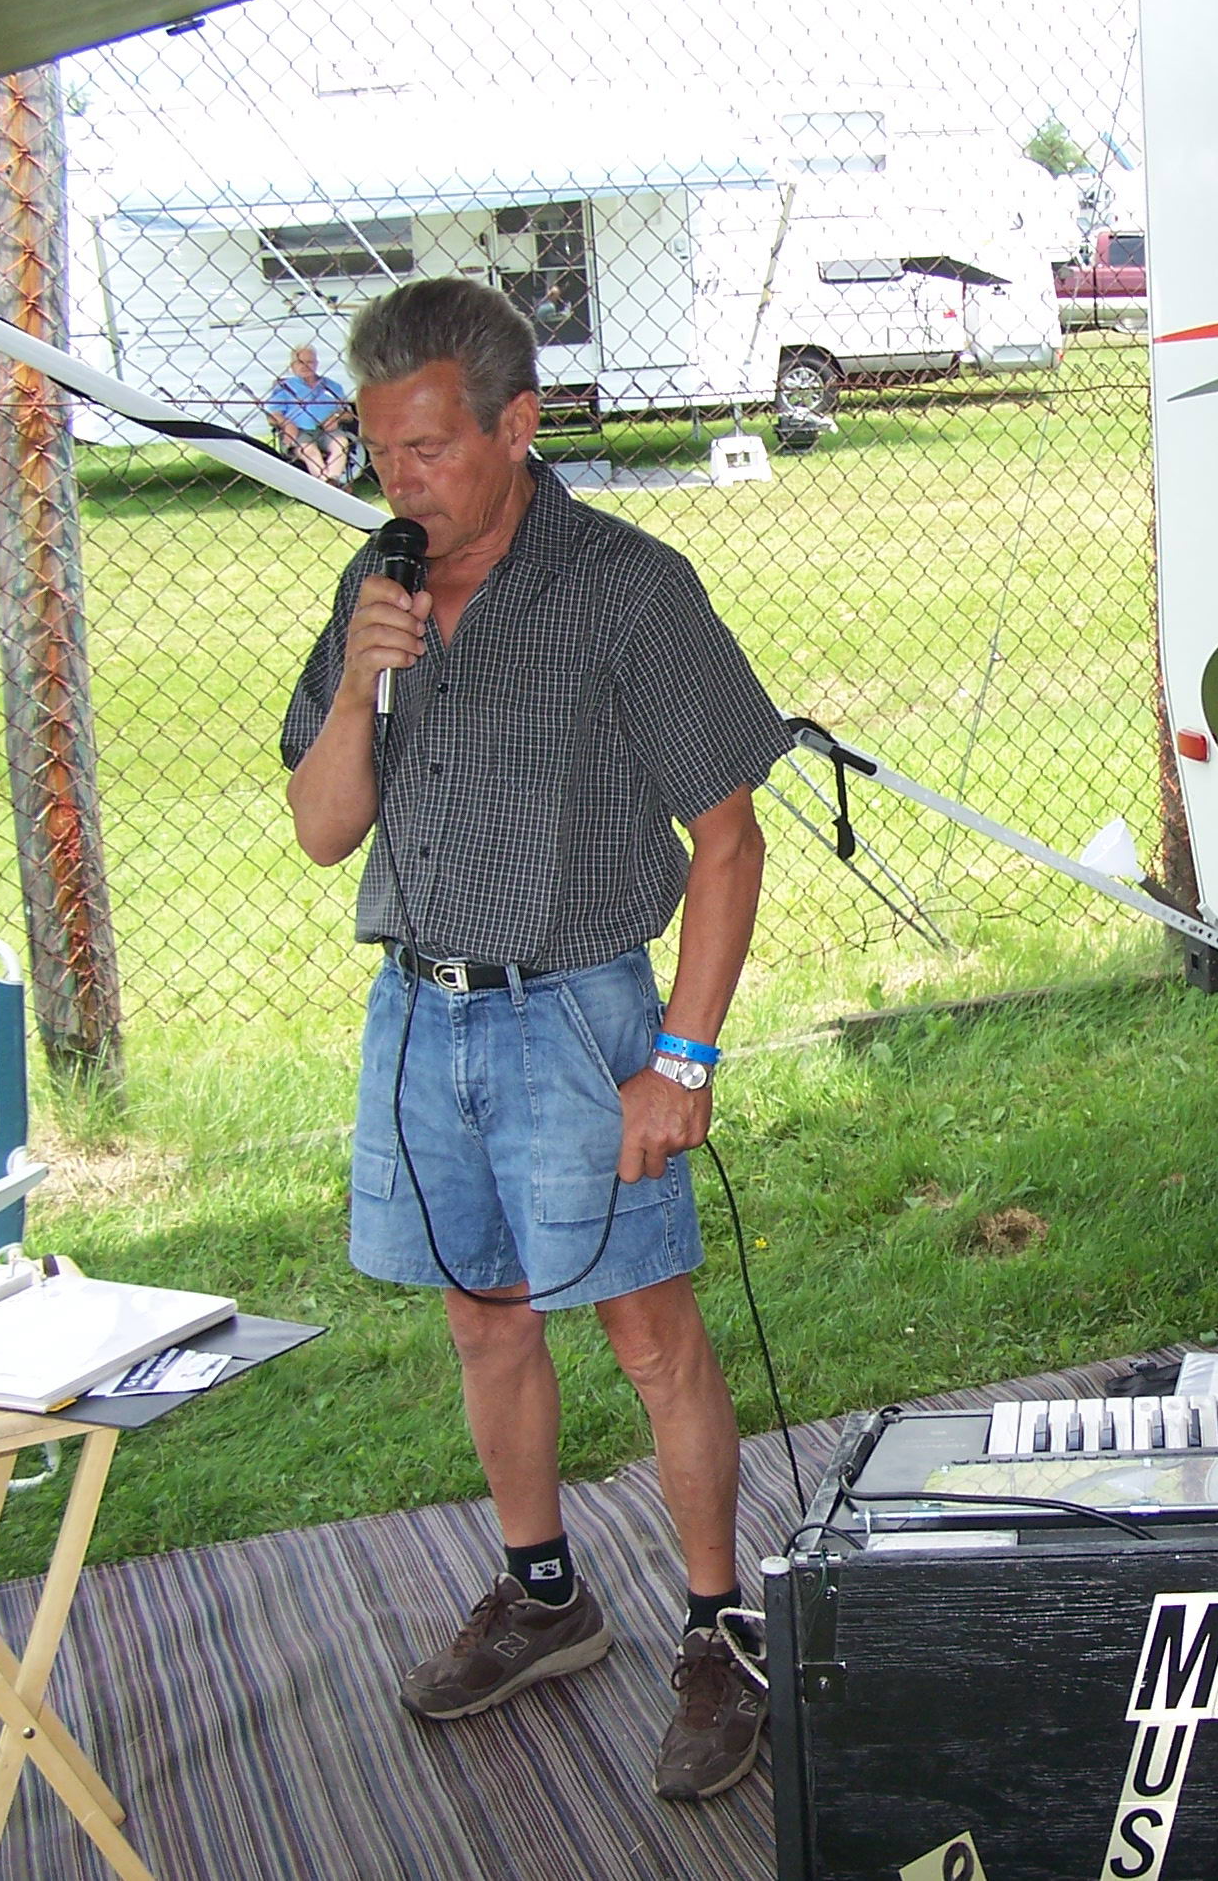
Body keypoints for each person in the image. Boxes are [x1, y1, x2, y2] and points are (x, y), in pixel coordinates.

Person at [279, 277, 789, 1803]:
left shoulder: (628, 587)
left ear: (518, 425)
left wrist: (682, 1060)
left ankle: (719, 1628)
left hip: (580, 1016)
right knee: (485, 1319)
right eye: (380, 448)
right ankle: (545, 1591)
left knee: (650, 1336)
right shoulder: (374, 586)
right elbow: (321, 829)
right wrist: (362, 679)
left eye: (429, 447)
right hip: (418, 1013)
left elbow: (730, 841)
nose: (398, 479)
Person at [264, 344, 356, 484]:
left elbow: (348, 413)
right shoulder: (284, 387)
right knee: (310, 451)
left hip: (327, 430)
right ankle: (328, 483)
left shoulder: (332, 386)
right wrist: (286, 424)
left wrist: (336, 417)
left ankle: (332, 480)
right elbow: (272, 414)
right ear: (292, 366)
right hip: (299, 431)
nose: (305, 366)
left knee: (341, 444)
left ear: (316, 364)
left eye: (310, 362)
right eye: (300, 362)